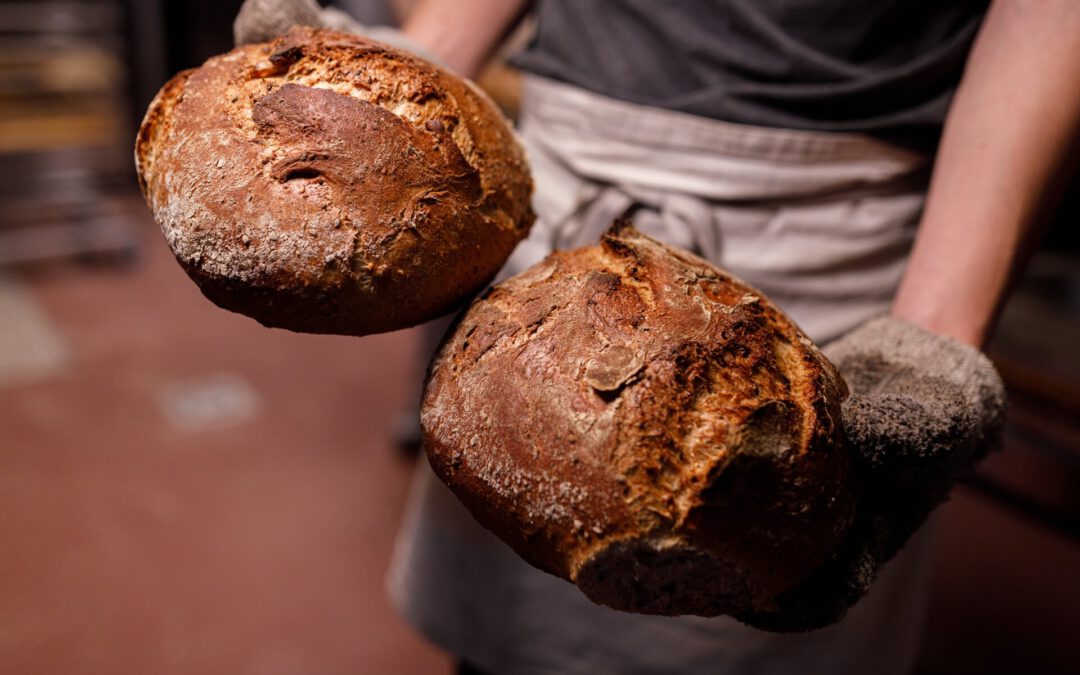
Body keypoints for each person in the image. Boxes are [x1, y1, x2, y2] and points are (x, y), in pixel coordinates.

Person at [235, 1, 1080, 673]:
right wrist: (419, 65)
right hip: (555, 214)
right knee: (510, 636)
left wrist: (934, 327)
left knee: (759, 607)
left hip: (829, 233)